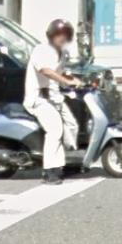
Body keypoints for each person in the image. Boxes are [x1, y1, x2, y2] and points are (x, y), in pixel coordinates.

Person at [23, 19, 81, 185]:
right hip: (39, 99)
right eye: (59, 35)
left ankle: (64, 163)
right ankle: (49, 171)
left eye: (66, 35)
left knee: (72, 126)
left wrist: (74, 79)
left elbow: (60, 73)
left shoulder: (63, 53)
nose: (62, 38)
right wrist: (66, 80)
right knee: (55, 130)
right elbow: (46, 71)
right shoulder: (41, 50)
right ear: (51, 35)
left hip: (55, 98)